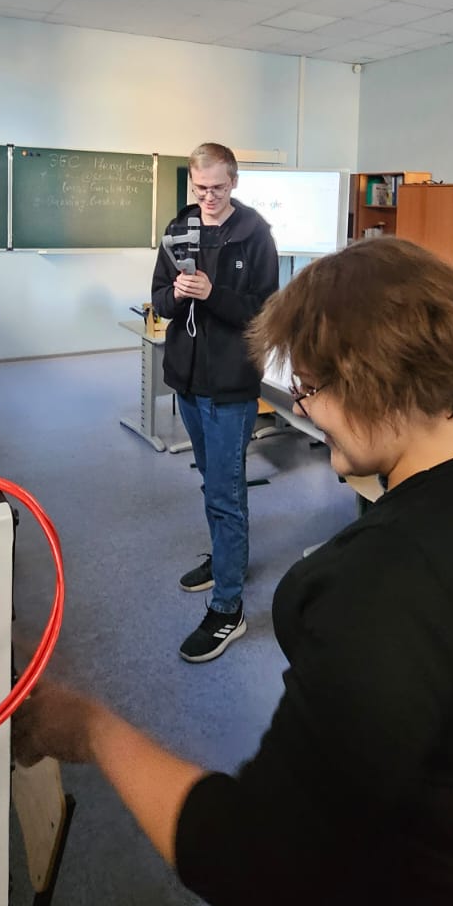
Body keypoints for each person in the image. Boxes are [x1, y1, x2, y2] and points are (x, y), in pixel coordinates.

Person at [15, 237, 453, 906]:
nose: (306, 411)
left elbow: (255, 860)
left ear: (370, 382)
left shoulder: (385, 582)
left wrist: (87, 728)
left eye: (313, 389)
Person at [150, 142, 279, 663]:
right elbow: (159, 301)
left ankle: (229, 608)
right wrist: (179, 294)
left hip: (230, 386)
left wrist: (212, 294)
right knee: (213, 482)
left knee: (226, 493)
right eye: (200, 188)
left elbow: (266, 313)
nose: (208, 197)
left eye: (218, 188)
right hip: (188, 383)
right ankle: (227, 559)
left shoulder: (255, 233)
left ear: (235, 182)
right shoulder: (178, 228)